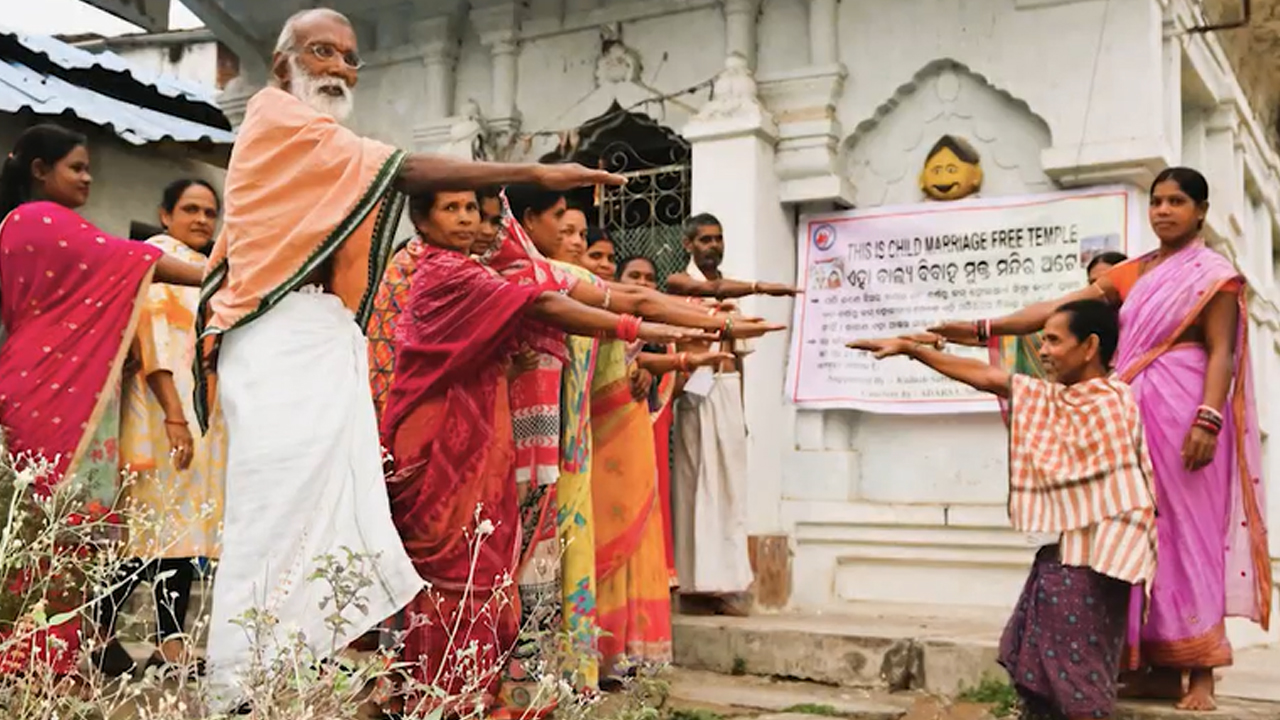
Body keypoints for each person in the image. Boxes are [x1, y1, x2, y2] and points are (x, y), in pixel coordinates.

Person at [193, 9, 624, 709]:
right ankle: (241, 690)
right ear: (282, 66)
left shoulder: (327, 149)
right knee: (272, 520)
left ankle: (297, 680)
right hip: (274, 340)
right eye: (320, 52)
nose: (336, 68)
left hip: (321, 343)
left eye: (348, 58)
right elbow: (407, 170)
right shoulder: (276, 118)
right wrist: (532, 170)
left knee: (326, 519)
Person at [929, 167, 1269, 712]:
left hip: (1187, 411)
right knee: (1139, 525)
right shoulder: (1134, 273)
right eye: (1157, 201)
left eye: (1177, 201)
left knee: (1191, 534)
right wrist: (983, 328)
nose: (1163, 210)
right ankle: (1157, 666)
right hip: (1131, 410)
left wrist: (1208, 418)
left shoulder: (1214, 275)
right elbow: (1058, 311)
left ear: (1201, 211)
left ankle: (1202, 671)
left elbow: (1222, 350)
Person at [379, 188, 704, 717]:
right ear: (421, 219)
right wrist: (641, 327)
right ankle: (437, 696)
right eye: (456, 210)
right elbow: (550, 302)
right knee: (449, 576)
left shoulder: (490, 276)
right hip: (439, 444)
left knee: (488, 576)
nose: (474, 225)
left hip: (493, 444)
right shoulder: (453, 274)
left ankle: (471, 693)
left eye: (482, 215)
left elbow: (597, 303)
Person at [849, 299, 1158, 720]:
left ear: (1089, 347)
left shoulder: (1109, 402)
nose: (1043, 351)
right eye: (1041, 340)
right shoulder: (1060, 399)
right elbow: (989, 378)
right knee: (1047, 682)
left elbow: (1116, 492)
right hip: (1062, 559)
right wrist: (914, 349)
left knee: (1080, 686)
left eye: (1052, 340)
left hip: (1096, 564)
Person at [0, 123, 204, 678]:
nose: (88, 178)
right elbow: (137, 261)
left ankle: (51, 656)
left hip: (47, 382)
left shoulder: (26, 224)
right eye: (77, 167)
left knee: (63, 524)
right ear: (40, 171)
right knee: (54, 520)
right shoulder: (37, 219)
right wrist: (218, 275)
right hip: (51, 389)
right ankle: (32, 656)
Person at [97, 179, 228, 679]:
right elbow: (151, 348)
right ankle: (103, 632)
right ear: (165, 214)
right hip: (158, 413)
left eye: (210, 212)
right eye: (190, 209)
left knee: (183, 534)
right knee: (144, 534)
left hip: (194, 416)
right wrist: (174, 415)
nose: (201, 219)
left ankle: (170, 644)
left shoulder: (204, 271)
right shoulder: (155, 258)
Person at [665, 213, 798, 616]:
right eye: (705, 239)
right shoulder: (678, 286)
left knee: (729, 486)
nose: (713, 246)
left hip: (725, 392)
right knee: (696, 482)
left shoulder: (729, 295)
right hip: (693, 393)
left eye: (718, 239)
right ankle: (694, 583)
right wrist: (753, 295)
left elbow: (739, 354)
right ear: (688, 245)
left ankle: (726, 582)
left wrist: (740, 408)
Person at [368, 186, 502, 417]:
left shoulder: (409, 255)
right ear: (422, 220)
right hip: (416, 406)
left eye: (470, 208)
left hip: (409, 403)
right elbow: (533, 302)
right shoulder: (431, 267)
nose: (464, 219)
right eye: (451, 208)